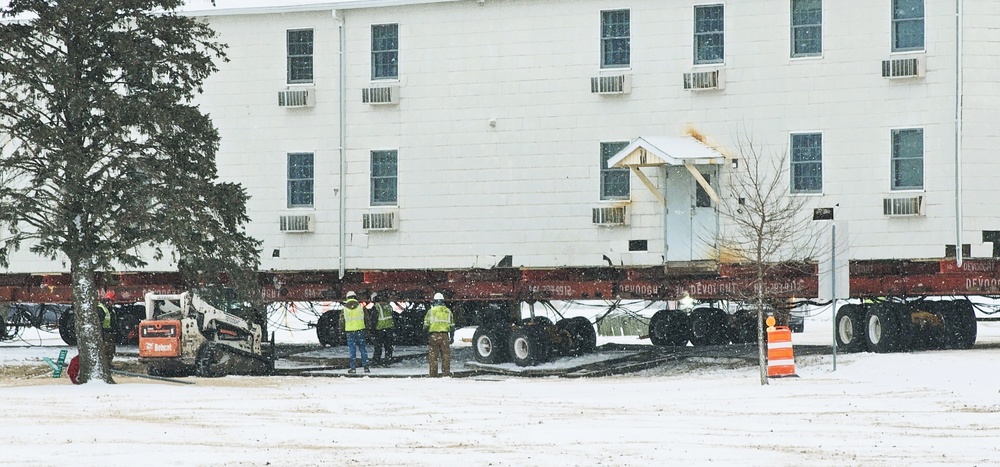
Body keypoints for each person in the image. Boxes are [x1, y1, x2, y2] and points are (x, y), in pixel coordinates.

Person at [423, 292, 454, 377]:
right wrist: (452, 337)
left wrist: (425, 335)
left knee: (433, 356)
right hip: (445, 335)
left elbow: (426, 325)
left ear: (434, 301)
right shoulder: (448, 311)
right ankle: (446, 373)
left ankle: (433, 374)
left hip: (433, 335)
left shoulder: (431, 311)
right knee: (446, 355)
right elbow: (452, 326)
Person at [339, 291, 369, 374]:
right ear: (355, 297)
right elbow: (367, 319)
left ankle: (353, 368)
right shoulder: (361, 307)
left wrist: (341, 332)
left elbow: (341, 322)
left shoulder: (344, 309)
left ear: (347, 298)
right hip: (360, 330)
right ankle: (366, 367)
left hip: (350, 332)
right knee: (363, 349)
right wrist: (368, 329)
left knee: (352, 350)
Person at [370, 293, 395, 366]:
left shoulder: (376, 307)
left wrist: (372, 330)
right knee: (388, 346)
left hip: (380, 329)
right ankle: (388, 360)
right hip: (389, 328)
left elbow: (374, 320)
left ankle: (376, 360)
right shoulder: (388, 306)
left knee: (378, 346)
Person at [97, 291, 117, 370]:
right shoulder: (101, 309)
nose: (112, 303)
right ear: (107, 301)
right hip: (104, 333)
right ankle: (104, 365)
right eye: (111, 301)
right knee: (105, 350)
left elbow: (113, 322)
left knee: (111, 350)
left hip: (110, 333)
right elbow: (99, 323)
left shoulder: (110, 309)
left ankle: (108, 364)